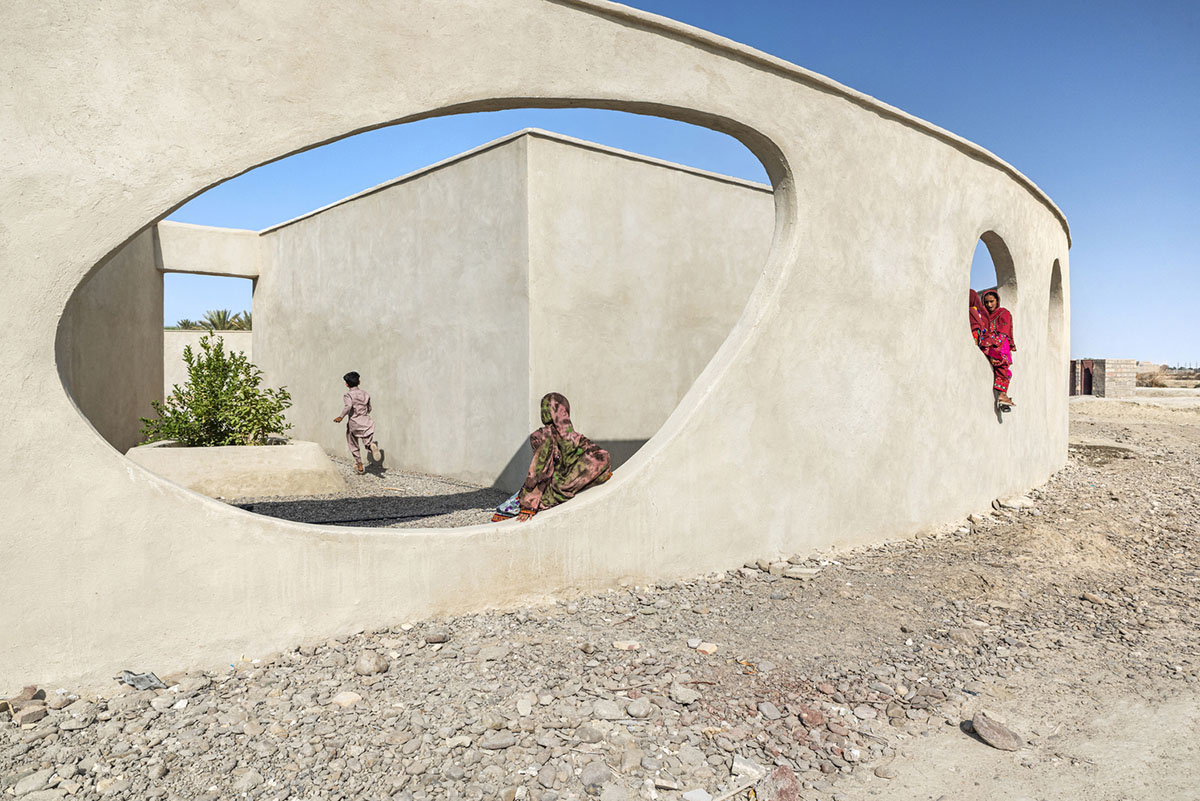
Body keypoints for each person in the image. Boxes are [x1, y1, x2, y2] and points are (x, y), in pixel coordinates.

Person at [494, 392, 612, 522]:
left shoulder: (543, 435)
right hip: (565, 484)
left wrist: (529, 504)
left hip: (549, 489)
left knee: (503, 514)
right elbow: (601, 456)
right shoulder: (573, 436)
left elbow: (539, 471)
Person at [333, 371, 381, 473]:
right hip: (366, 420)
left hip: (354, 422)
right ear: (359, 382)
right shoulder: (365, 394)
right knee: (366, 436)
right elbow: (369, 408)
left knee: (352, 441)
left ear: (346, 384)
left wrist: (341, 416)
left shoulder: (348, 395)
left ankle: (359, 464)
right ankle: (371, 445)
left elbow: (348, 406)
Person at [978, 289, 1016, 410]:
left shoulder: (1003, 313)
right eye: (986, 302)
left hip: (1000, 344)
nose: (989, 305)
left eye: (991, 302)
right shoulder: (983, 316)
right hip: (987, 343)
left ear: (997, 301)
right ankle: (1002, 396)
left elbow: (1003, 332)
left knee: (1004, 368)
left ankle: (1002, 395)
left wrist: (994, 348)